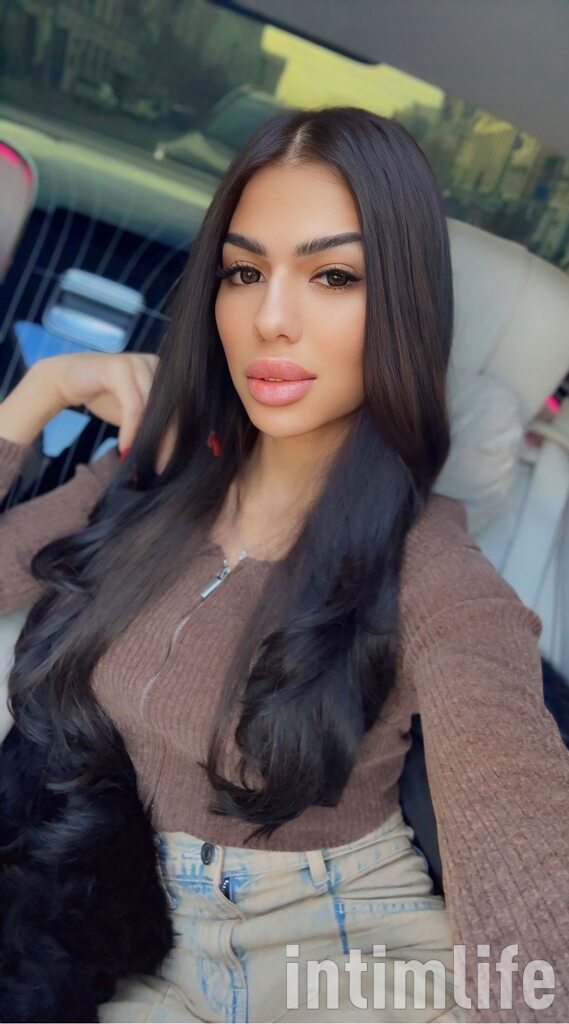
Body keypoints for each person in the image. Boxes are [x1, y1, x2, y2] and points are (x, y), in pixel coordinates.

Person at [0, 106, 567, 1024]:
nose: (270, 318)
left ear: (404, 309)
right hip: (133, 935)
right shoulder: (142, 484)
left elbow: (520, 827)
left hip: (346, 951)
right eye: (244, 272)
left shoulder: (432, 564)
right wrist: (43, 390)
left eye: (333, 276)